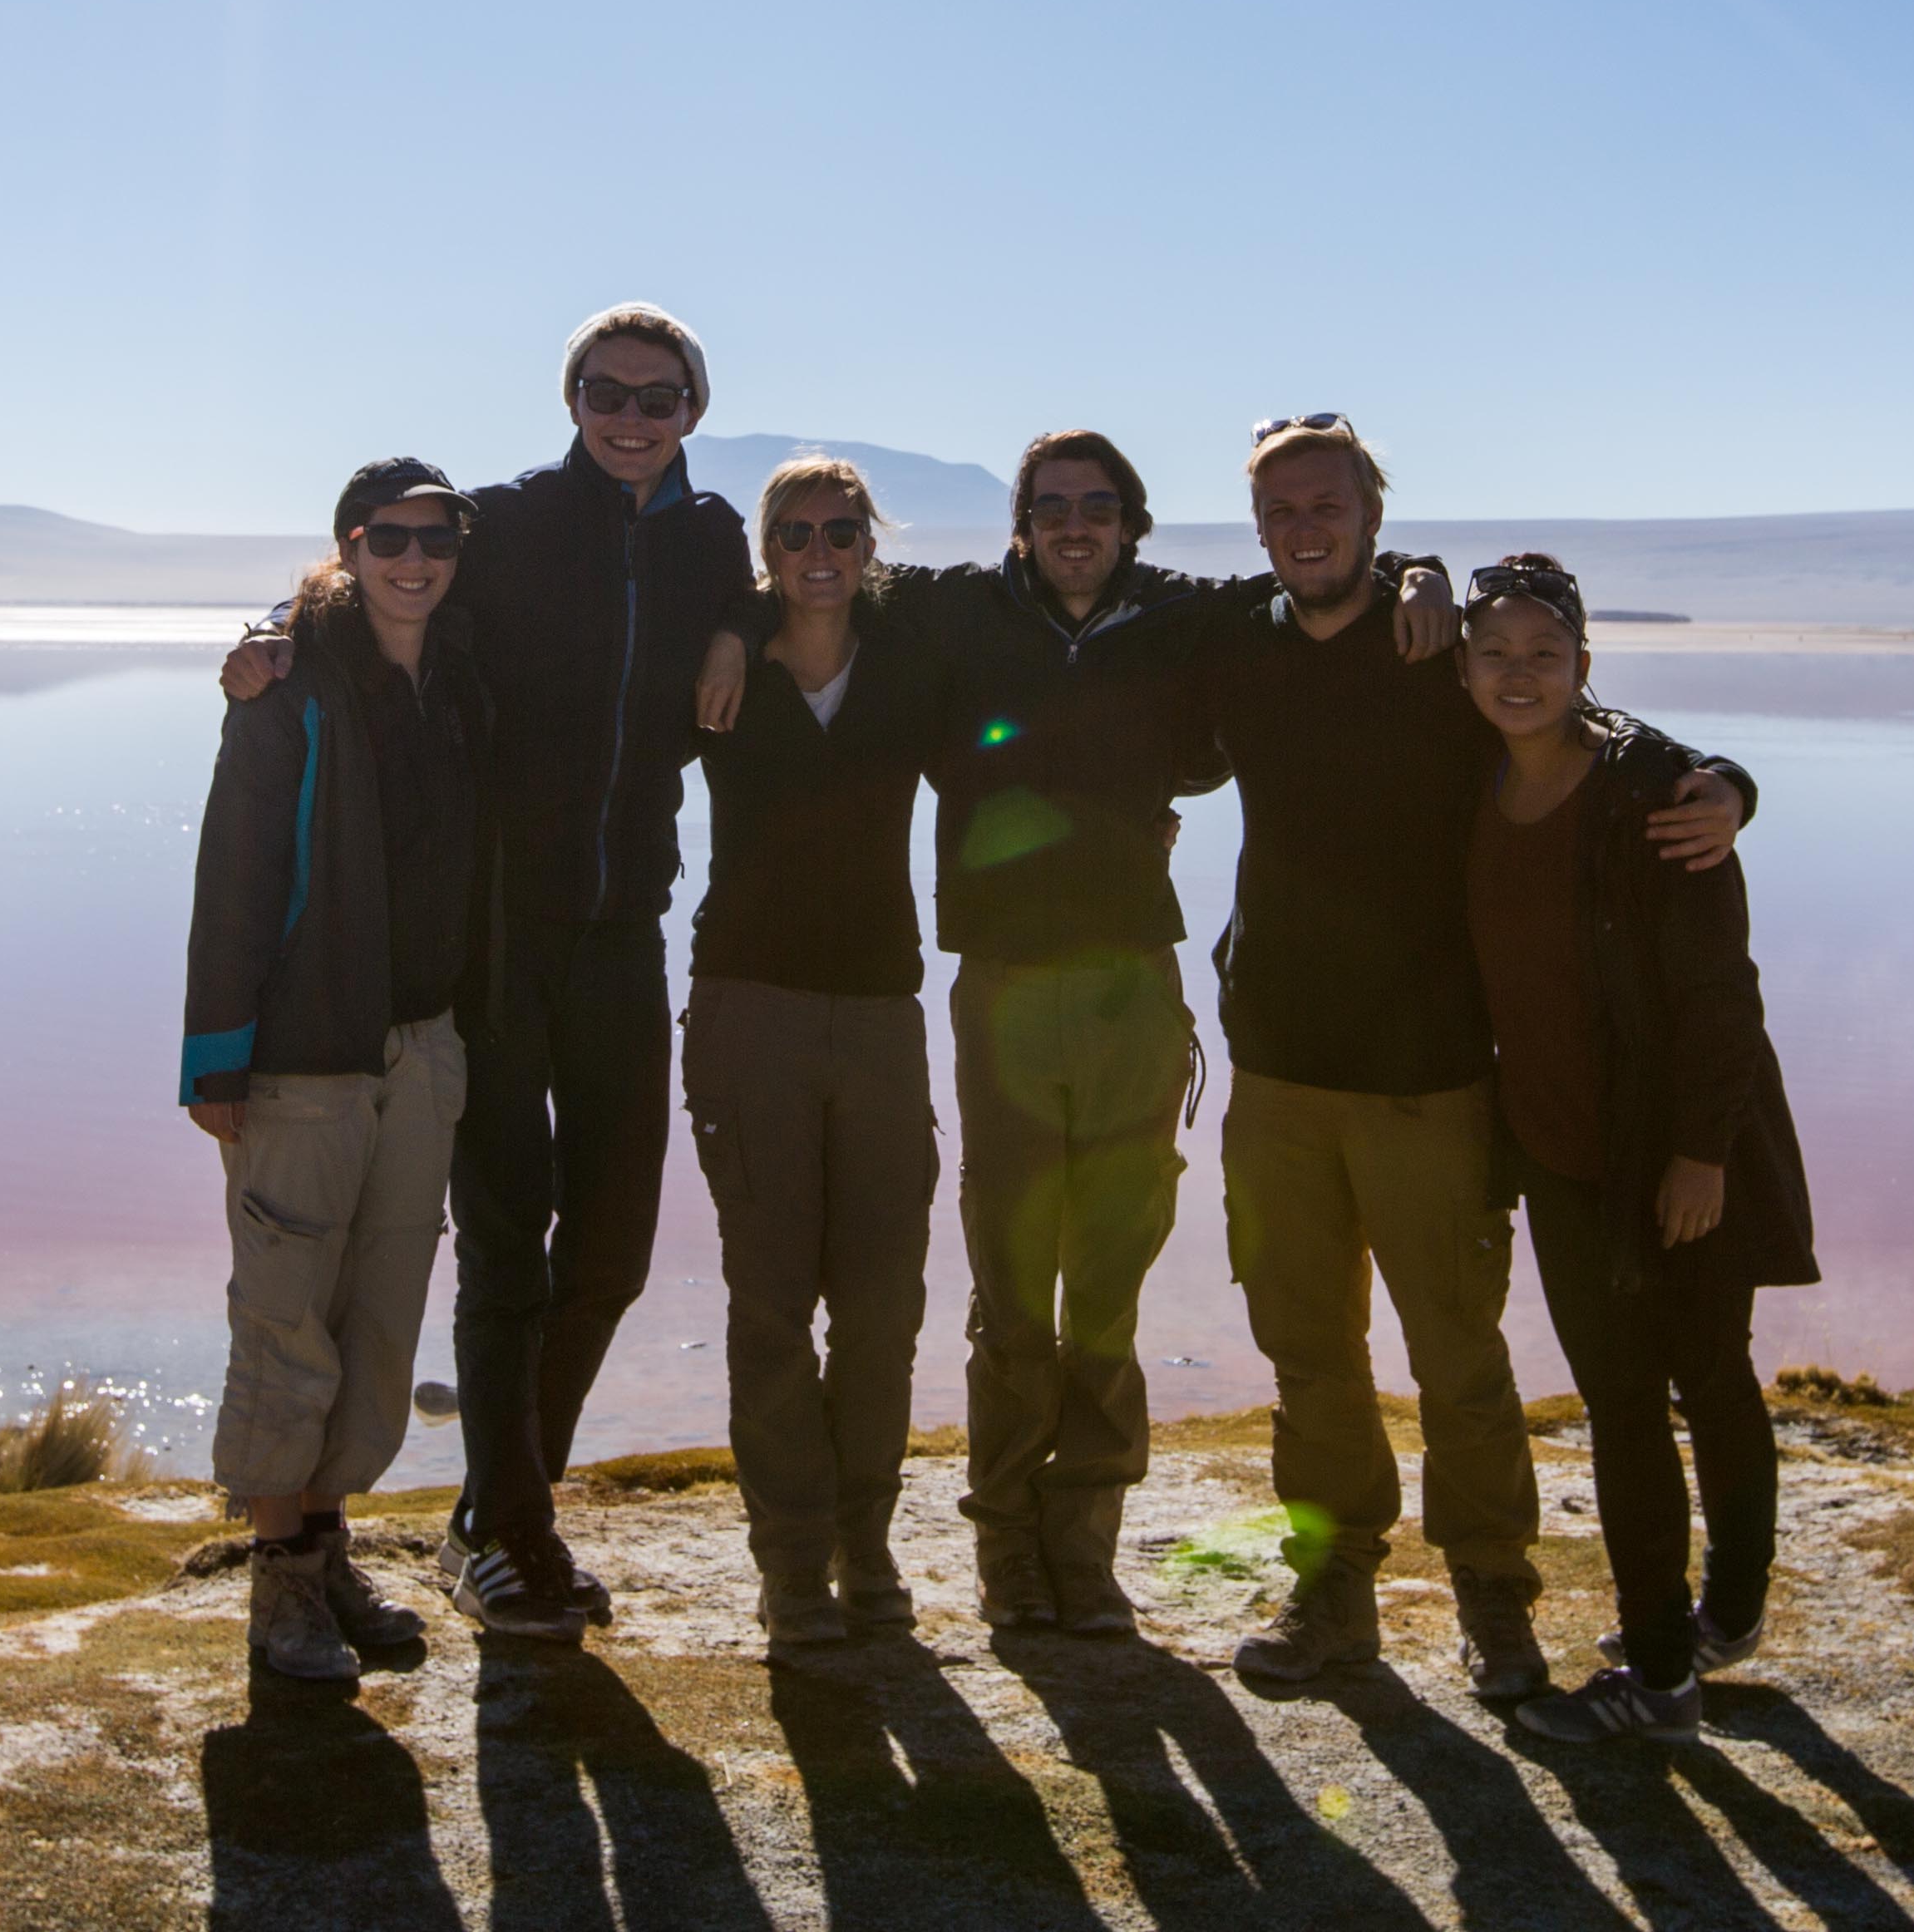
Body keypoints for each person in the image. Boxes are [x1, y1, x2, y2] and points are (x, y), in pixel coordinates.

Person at [693, 431, 1446, 1639]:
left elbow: (1315, 573)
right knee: (1009, 1286)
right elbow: (814, 580)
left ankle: (1083, 1546)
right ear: (1022, 523)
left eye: (1098, 506)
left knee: (1106, 1284)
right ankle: (1004, 1543)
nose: (1075, 525)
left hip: (1132, 984)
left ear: (1131, 521)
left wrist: (1421, 573)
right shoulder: (957, 610)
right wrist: (735, 624)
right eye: (1052, 507)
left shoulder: (1184, 615)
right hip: (999, 985)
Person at [1192, 417, 1751, 1701]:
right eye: (1280, 510)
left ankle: (1495, 1594)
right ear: (1259, 528)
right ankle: (1333, 1588)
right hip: (1276, 1069)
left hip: (1428, 1075)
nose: (1304, 529)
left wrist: (1727, 783)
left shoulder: (1438, 653)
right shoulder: (1235, 640)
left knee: (1457, 1356)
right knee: (1308, 1356)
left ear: (1374, 517)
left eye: (1328, 505)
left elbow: (1583, 724)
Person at [223, 303, 751, 1638]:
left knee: (613, 1246)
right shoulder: (507, 523)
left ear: (693, 410)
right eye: (606, 392)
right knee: (509, 1240)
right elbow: (381, 581)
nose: (631, 418)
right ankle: (512, 1526)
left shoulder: (711, 537)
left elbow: (747, 599)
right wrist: (271, 631)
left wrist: (737, 635)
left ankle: (493, 1505)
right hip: (499, 938)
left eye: (659, 397)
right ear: (572, 400)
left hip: (625, 927)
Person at [1447, 553, 1814, 1750]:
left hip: (1675, 1148)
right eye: (1494, 653)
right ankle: (1680, 1645)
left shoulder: (1654, 791)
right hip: (1560, 1151)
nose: (1518, 675)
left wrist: (1702, 1155)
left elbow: (1722, 992)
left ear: (1584, 666)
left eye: (1543, 655)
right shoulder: (1470, 777)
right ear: (1463, 667)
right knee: (1621, 1404)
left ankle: (1682, 1661)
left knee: (1708, 1377)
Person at [177, 460, 487, 1686]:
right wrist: (216, 1057)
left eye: (438, 539)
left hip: (423, 1047)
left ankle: (328, 1549)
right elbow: (235, 873)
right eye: (390, 538)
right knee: (284, 1318)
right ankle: (280, 1590)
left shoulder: (462, 677)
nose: (415, 560)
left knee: (376, 1321)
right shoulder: (291, 687)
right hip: (303, 1057)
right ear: (349, 546)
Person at [679, 456, 945, 1647]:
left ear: (872, 545)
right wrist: (733, 632)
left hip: (883, 1014)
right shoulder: (720, 672)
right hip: (751, 1009)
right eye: (795, 533)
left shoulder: (911, 659)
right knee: (773, 1302)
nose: (820, 551)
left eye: (843, 530)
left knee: (884, 1307)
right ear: (767, 552)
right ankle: (792, 1565)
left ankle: (867, 1543)